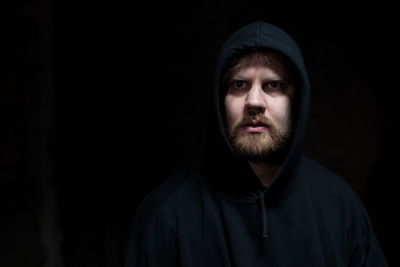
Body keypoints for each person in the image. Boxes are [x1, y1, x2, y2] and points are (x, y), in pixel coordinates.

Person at [121, 21, 388, 266]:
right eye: (239, 84)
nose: (254, 101)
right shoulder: (165, 217)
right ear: (220, 100)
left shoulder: (339, 207)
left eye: (273, 85)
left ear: (295, 102)